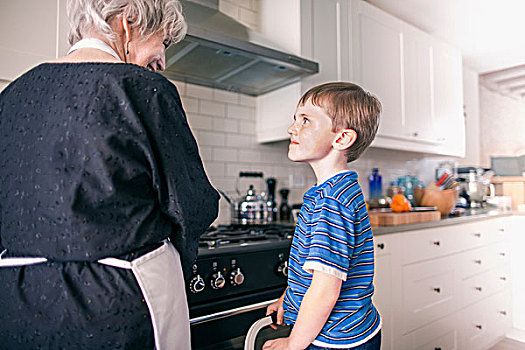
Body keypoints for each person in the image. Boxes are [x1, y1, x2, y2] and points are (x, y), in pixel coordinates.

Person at [0, 0, 219, 349]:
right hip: (118, 300)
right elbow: (191, 204)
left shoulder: (12, 94)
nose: (162, 61)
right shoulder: (142, 88)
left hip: (17, 297)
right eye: (162, 42)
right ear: (128, 21)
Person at [263, 82, 382, 350]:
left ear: (341, 138)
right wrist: (289, 298)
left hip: (334, 341)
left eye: (305, 120)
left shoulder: (331, 201)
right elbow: (313, 270)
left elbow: (326, 290)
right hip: (352, 329)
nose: (292, 128)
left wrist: (293, 344)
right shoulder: (331, 192)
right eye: (296, 119)